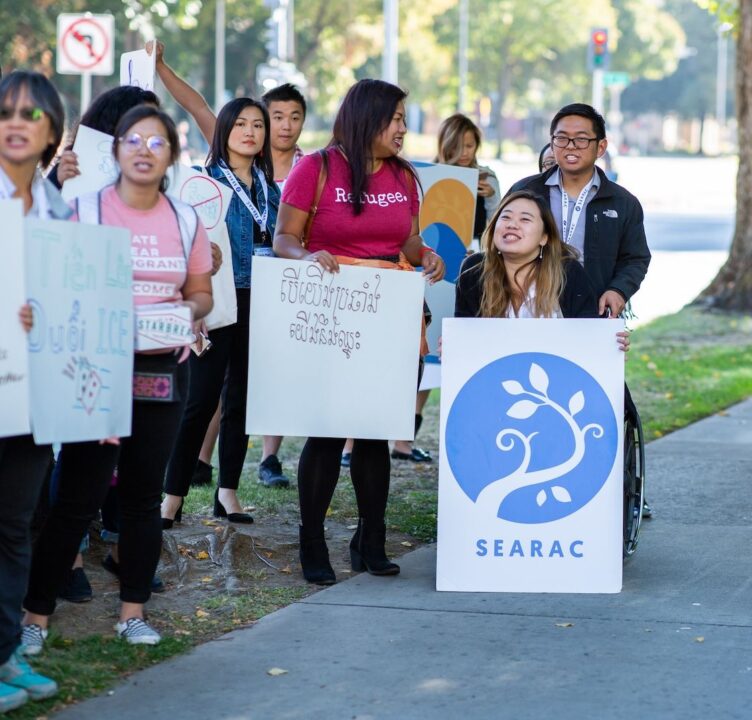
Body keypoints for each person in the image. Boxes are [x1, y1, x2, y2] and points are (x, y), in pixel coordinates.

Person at [21, 105, 213, 649]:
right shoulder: (82, 210)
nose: (144, 150)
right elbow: (49, 277)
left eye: (157, 142)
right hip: (96, 370)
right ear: (117, 150)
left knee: (141, 497)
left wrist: (186, 313)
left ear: (171, 156)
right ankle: (35, 618)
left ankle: (133, 613)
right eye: (134, 140)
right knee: (78, 498)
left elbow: (202, 291)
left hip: (161, 374)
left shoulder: (184, 220)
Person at [273, 78, 445, 585]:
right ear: (367, 119)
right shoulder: (317, 168)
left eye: (403, 120)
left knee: (375, 431)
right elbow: (284, 236)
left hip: (389, 316)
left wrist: (426, 255)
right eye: (394, 119)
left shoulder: (403, 176)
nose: (402, 129)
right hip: (333, 314)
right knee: (326, 433)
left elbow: (407, 240)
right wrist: (307, 255)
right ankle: (312, 541)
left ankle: (371, 538)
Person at [45, 84, 163, 606]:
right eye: (137, 131)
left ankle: (124, 550)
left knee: (131, 455)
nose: (146, 144)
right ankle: (66, 560)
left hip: (141, 341)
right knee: (77, 453)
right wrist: (54, 183)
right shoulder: (70, 174)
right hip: (80, 333)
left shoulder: (160, 189)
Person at [510, 103, 650, 514]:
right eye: (562, 138)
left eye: (582, 139)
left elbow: (636, 259)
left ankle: (614, 494)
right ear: (551, 143)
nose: (571, 147)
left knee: (603, 406)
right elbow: (498, 242)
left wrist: (619, 291)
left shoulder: (622, 203)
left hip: (592, 321)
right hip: (528, 317)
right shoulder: (527, 191)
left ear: (600, 146)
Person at [0, 69, 65, 714]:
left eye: (31, 114)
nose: (17, 123)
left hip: (32, 397)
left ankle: (5, 655)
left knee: (16, 526)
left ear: (50, 131)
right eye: (6, 112)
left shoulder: (58, 209)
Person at [436, 113, 500, 241]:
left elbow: (497, 224)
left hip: (473, 251)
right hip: (434, 248)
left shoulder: (487, 177)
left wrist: (491, 196)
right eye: (456, 147)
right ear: (445, 146)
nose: (464, 153)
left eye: (469, 146)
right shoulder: (430, 174)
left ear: (477, 145)